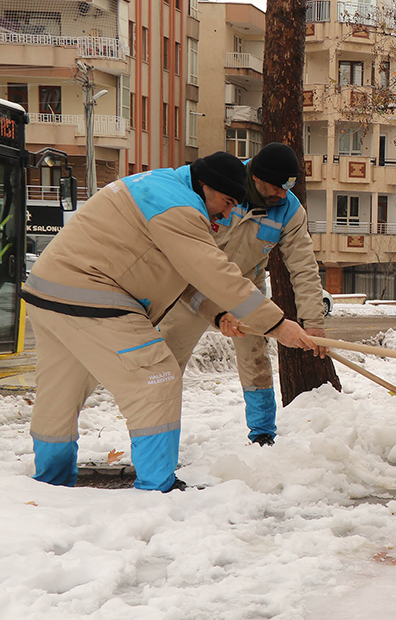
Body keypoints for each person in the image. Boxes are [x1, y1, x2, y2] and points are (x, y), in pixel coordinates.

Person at [23, 152, 317, 492]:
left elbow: (188, 278)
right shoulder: (181, 209)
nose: (225, 214)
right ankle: (157, 487)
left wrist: (219, 315)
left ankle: (50, 485)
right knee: (157, 376)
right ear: (206, 186)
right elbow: (212, 272)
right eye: (225, 203)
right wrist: (278, 325)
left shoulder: (164, 187)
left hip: (49, 290)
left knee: (61, 391)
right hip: (95, 294)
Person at [158, 143, 328, 447]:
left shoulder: (289, 210)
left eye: (288, 187)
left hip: (245, 288)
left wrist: (313, 321)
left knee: (256, 360)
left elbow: (303, 266)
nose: (282, 195)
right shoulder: (223, 185)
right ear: (258, 178)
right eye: (277, 187)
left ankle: (262, 433)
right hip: (192, 283)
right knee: (167, 361)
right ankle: (157, 435)